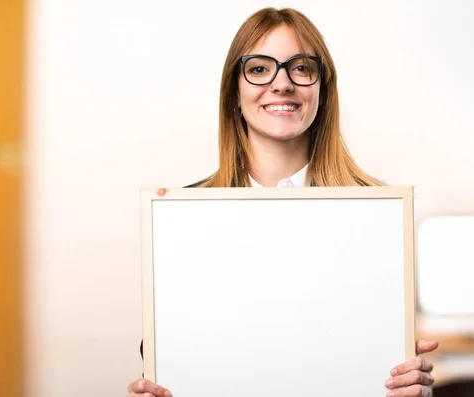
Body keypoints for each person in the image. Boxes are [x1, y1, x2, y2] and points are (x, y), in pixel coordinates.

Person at [128, 6, 439, 397]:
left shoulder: (377, 219)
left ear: (322, 91)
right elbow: (177, 361)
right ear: (234, 95)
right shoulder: (181, 220)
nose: (282, 84)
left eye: (301, 67)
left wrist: (413, 388)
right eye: (258, 68)